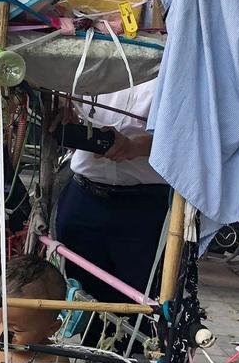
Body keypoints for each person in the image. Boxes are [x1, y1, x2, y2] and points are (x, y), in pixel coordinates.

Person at [54, 79, 169, 302]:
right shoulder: (92, 60)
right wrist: (63, 112)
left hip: (145, 206)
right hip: (83, 197)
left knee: (140, 302)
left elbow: (189, 136)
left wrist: (137, 146)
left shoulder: (171, 63)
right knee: (83, 297)